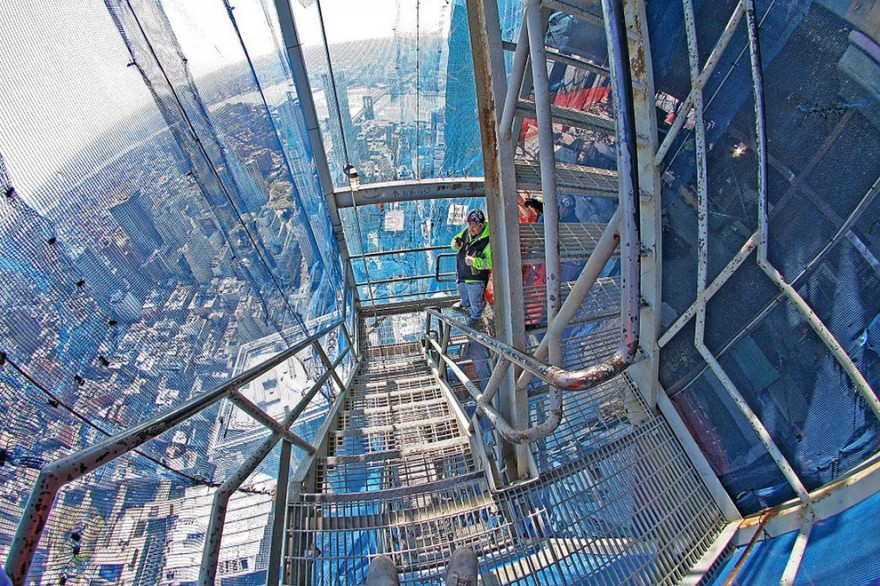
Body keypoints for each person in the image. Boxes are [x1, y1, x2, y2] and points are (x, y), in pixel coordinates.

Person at [451, 209, 492, 323]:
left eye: (473, 225)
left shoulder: (489, 240)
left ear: (481, 224)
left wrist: (474, 262)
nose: (470, 228)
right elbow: (454, 240)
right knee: (463, 291)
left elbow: (490, 263)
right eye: (469, 224)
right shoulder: (466, 232)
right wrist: (455, 244)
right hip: (462, 274)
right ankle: (464, 302)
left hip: (475, 280)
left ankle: (476, 318)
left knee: (475, 301)